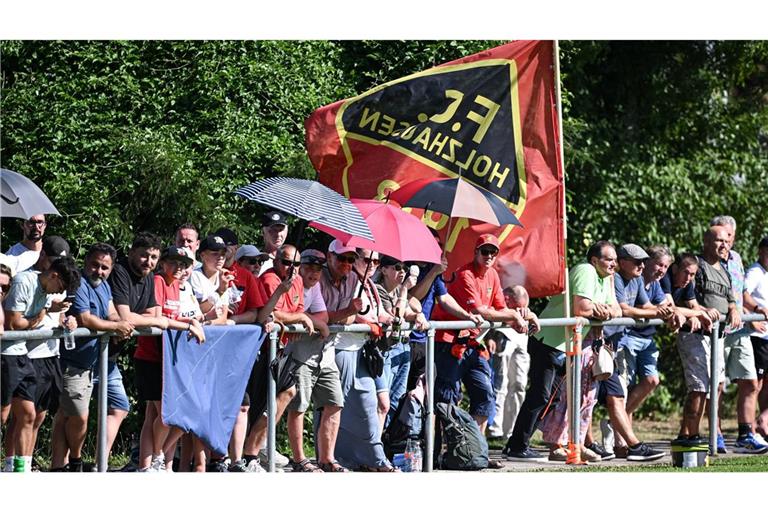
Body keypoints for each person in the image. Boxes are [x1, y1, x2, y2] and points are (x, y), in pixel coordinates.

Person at [504, 240, 621, 462]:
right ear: (594, 260)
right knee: (541, 395)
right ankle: (517, 446)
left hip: (568, 345)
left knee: (555, 399)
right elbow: (581, 308)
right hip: (550, 342)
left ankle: (535, 443)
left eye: (615, 260)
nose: (614, 264)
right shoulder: (585, 270)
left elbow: (616, 308)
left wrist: (604, 310)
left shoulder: (608, 278)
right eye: (609, 259)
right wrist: (601, 310)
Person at [431, 234, 528, 437]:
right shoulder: (464, 273)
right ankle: (441, 449)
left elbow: (501, 307)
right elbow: (481, 311)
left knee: (485, 395)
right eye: (485, 251)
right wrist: (512, 315)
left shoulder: (492, 274)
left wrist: (523, 315)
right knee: (446, 398)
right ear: (476, 252)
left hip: (473, 343)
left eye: (493, 252)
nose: (489, 256)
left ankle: (473, 447)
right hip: (448, 342)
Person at [50, 243, 135, 471]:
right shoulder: (79, 283)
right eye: (95, 265)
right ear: (86, 262)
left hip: (94, 362)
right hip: (73, 362)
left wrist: (119, 322)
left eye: (105, 267)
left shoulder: (103, 285)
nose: (99, 271)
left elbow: (110, 310)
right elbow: (86, 319)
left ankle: (60, 466)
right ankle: (73, 461)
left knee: (69, 415)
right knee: (77, 416)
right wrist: (116, 327)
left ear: (111, 268)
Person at [106, 232, 187, 472]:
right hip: (96, 350)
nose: (148, 262)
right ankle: (151, 459)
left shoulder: (150, 278)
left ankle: (148, 463)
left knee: (124, 409)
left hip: (113, 354)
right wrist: (144, 319)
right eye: (144, 255)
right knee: (73, 413)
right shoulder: (120, 272)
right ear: (131, 252)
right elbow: (126, 316)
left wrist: (142, 319)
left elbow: (156, 317)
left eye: (153, 257)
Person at [318, 239, 397, 471]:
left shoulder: (362, 281)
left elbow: (373, 313)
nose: (347, 263)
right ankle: (329, 458)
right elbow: (332, 314)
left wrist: (390, 319)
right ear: (330, 256)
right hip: (339, 347)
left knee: (372, 403)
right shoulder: (325, 278)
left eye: (351, 259)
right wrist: (359, 317)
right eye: (343, 258)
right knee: (333, 405)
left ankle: (374, 457)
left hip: (361, 349)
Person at [593, 243, 675, 461]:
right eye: (637, 261)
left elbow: (648, 306)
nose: (642, 265)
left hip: (614, 343)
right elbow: (624, 309)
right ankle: (613, 444)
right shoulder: (616, 278)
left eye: (643, 261)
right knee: (594, 396)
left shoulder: (637, 279)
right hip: (600, 342)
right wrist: (658, 311)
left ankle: (628, 445)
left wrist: (667, 311)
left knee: (617, 394)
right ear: (623, 262)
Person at [2, 256, 81, 472]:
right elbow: (13, 323)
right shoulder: (24, 282)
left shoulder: (46, 290)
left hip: (22, 355)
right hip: (6, 355)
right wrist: (37, 319)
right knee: (4, 417)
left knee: (30, 415)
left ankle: (19, 469)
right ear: (53, 275)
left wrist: (64, 316)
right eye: (60, 287)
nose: (58, 292)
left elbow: (48, 308)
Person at [244, 244, 315, 472]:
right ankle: (250, 453)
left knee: (284, 393)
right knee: (261, 401)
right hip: (263, 348)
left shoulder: (297, 281)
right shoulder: (270, 279)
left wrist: (297, 318)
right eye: (286, 263)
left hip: (281, 348)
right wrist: (298, 318)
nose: (291, 268)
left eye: (296, 264)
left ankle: (256, 447)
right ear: (275, 260)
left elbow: (296, 312)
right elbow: (271, 312)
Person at [134, 245, 205, 472]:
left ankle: (155, 460)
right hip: (150, 356)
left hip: (169, 358)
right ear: (163, 263)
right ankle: (153, 461)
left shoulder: (176, 285)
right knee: (167, 414)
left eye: (182, 264)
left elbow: (173, 317)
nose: (178, 268)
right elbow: (160, 318)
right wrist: (189, 324)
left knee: (167, 414)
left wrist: (193, 320)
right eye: (173, 262)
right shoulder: (158, 281)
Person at [674, 226, 745, 447]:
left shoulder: (724, 268)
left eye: (726, 241)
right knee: (698, 387)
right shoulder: (698, 265)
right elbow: (688, 296)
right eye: (718, 241)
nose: (723, 245)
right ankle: (690, 437)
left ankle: (699, 433)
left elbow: (729, 296)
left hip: (718, 336)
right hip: (697, 335)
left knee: (716, 385)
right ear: (706, 241)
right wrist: (702, 312)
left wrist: (733, 309)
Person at [710, 215, 768, 453]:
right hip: (718, 331)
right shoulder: (705, 261)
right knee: (718, 385)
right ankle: (717, 433)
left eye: (730, 237)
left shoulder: (736, 259)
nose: (726, 243)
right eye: (722, 238)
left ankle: (746, 434)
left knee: (751, 381)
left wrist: (756, 309)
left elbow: (742, 292)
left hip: (739, 328)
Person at [284, 248, 346, 472]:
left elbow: (324, 317)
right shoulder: (293, 284)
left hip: (324, 356)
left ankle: (327, 459)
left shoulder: (316, 286)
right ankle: (300, 459)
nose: (313, 273)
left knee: (335, 402)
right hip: (300, 355)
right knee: (299, 406)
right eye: (309, 267)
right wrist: (312, 322)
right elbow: (285, 314)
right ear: (299, 267)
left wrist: (310, 320)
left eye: (318, 269)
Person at [407, 228, 483, 391]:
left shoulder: (433, 270)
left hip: (423, 339)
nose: (438, 248)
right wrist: (434, 272)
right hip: (406, 339)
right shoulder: (408, 267)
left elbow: (444, 298)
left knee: (421, 393)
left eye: (439, 245)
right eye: (433, 244)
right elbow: (413, 297)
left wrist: (467, 316)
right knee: (398, 394)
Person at [372, 253, 429, 431]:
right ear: (384, 269)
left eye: (404, 268)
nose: (402, 272)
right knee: (383, 403)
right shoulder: (378, 288)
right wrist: (405, 290)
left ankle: (385, 442)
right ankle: (375, 447)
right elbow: (394, 316)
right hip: (385, 350)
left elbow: (411, 309)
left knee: (396, 400)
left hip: (402, 347)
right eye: (397, 267)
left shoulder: (397, 289)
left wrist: (417, 316)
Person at [486, 285, 539, 440]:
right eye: (517, 307)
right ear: (507, 298)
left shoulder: (524, 308)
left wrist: (529, 315)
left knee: (519, 385)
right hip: (503, 337)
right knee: (500, 384)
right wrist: (490, 337)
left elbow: (528, 314)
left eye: (522, 307)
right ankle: (495, 429)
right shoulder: (497, 299)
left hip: (521, 341)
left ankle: (512, 429)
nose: (519, 310)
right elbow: (488, 314)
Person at [744, 237, 768, 441]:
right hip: (759, 336)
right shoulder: (755, 271)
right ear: (761, 251)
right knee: (755, 384)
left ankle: (763, 422)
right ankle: (751, 430)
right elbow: (744, 295)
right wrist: (755, 314)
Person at [259, 211, 287, 276]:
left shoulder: (292, 261)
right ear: (263, 231)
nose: (278, 234)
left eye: (281, 230)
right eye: (274, 230)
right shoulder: (255, 259)